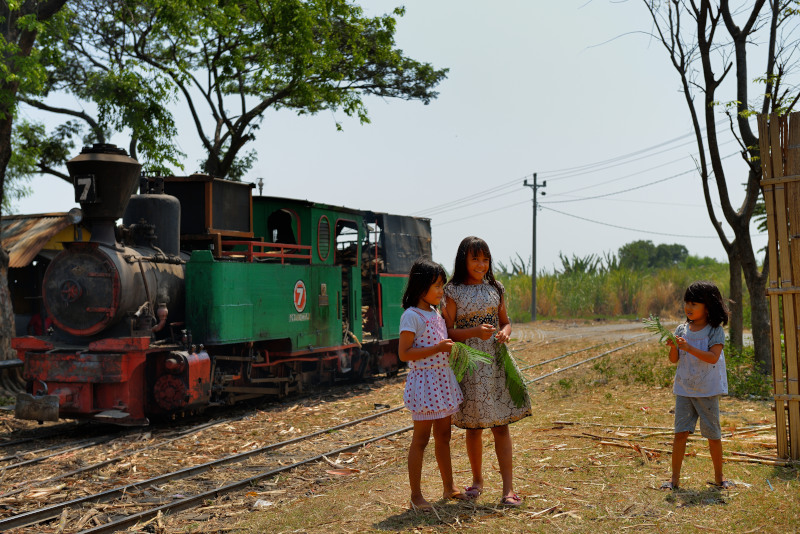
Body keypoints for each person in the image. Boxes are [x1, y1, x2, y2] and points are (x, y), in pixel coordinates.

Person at [442, 236, 531, 507]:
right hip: (470, 364)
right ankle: (477, 481)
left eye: (485, 259)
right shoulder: (453, 291)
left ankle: (508, 489)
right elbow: (448, 332)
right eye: (475, 259)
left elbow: (505, 321)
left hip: (496, 362)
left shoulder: (496, 288)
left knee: (501, 426)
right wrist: (474, 332)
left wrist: (505, 332)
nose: (481, 264)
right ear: (463, 261)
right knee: (474, 427)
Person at [398, 258, 469, 511]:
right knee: (420, 440)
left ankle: (449, 487)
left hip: (441, 381)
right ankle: (416, 496)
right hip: (425, 383)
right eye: (437, 286)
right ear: (421, 287)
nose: (441, 291)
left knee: (444, 436)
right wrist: (437, 348)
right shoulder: (412, 316)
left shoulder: (435, 313)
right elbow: (404, 353)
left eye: (442, 285)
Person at [661, 280, 733, 491]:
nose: (689, 308)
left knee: (713, 435)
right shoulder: (681, 329)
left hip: (707, 390)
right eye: (687, 303)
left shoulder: (714, 331)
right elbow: (674, 359)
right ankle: (674, 480)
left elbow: (713, 357)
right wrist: (673, 347)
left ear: (708, 306)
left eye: (694, 304)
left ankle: (719, 478)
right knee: (680, 434)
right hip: (685, 389)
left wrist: (689, 348)